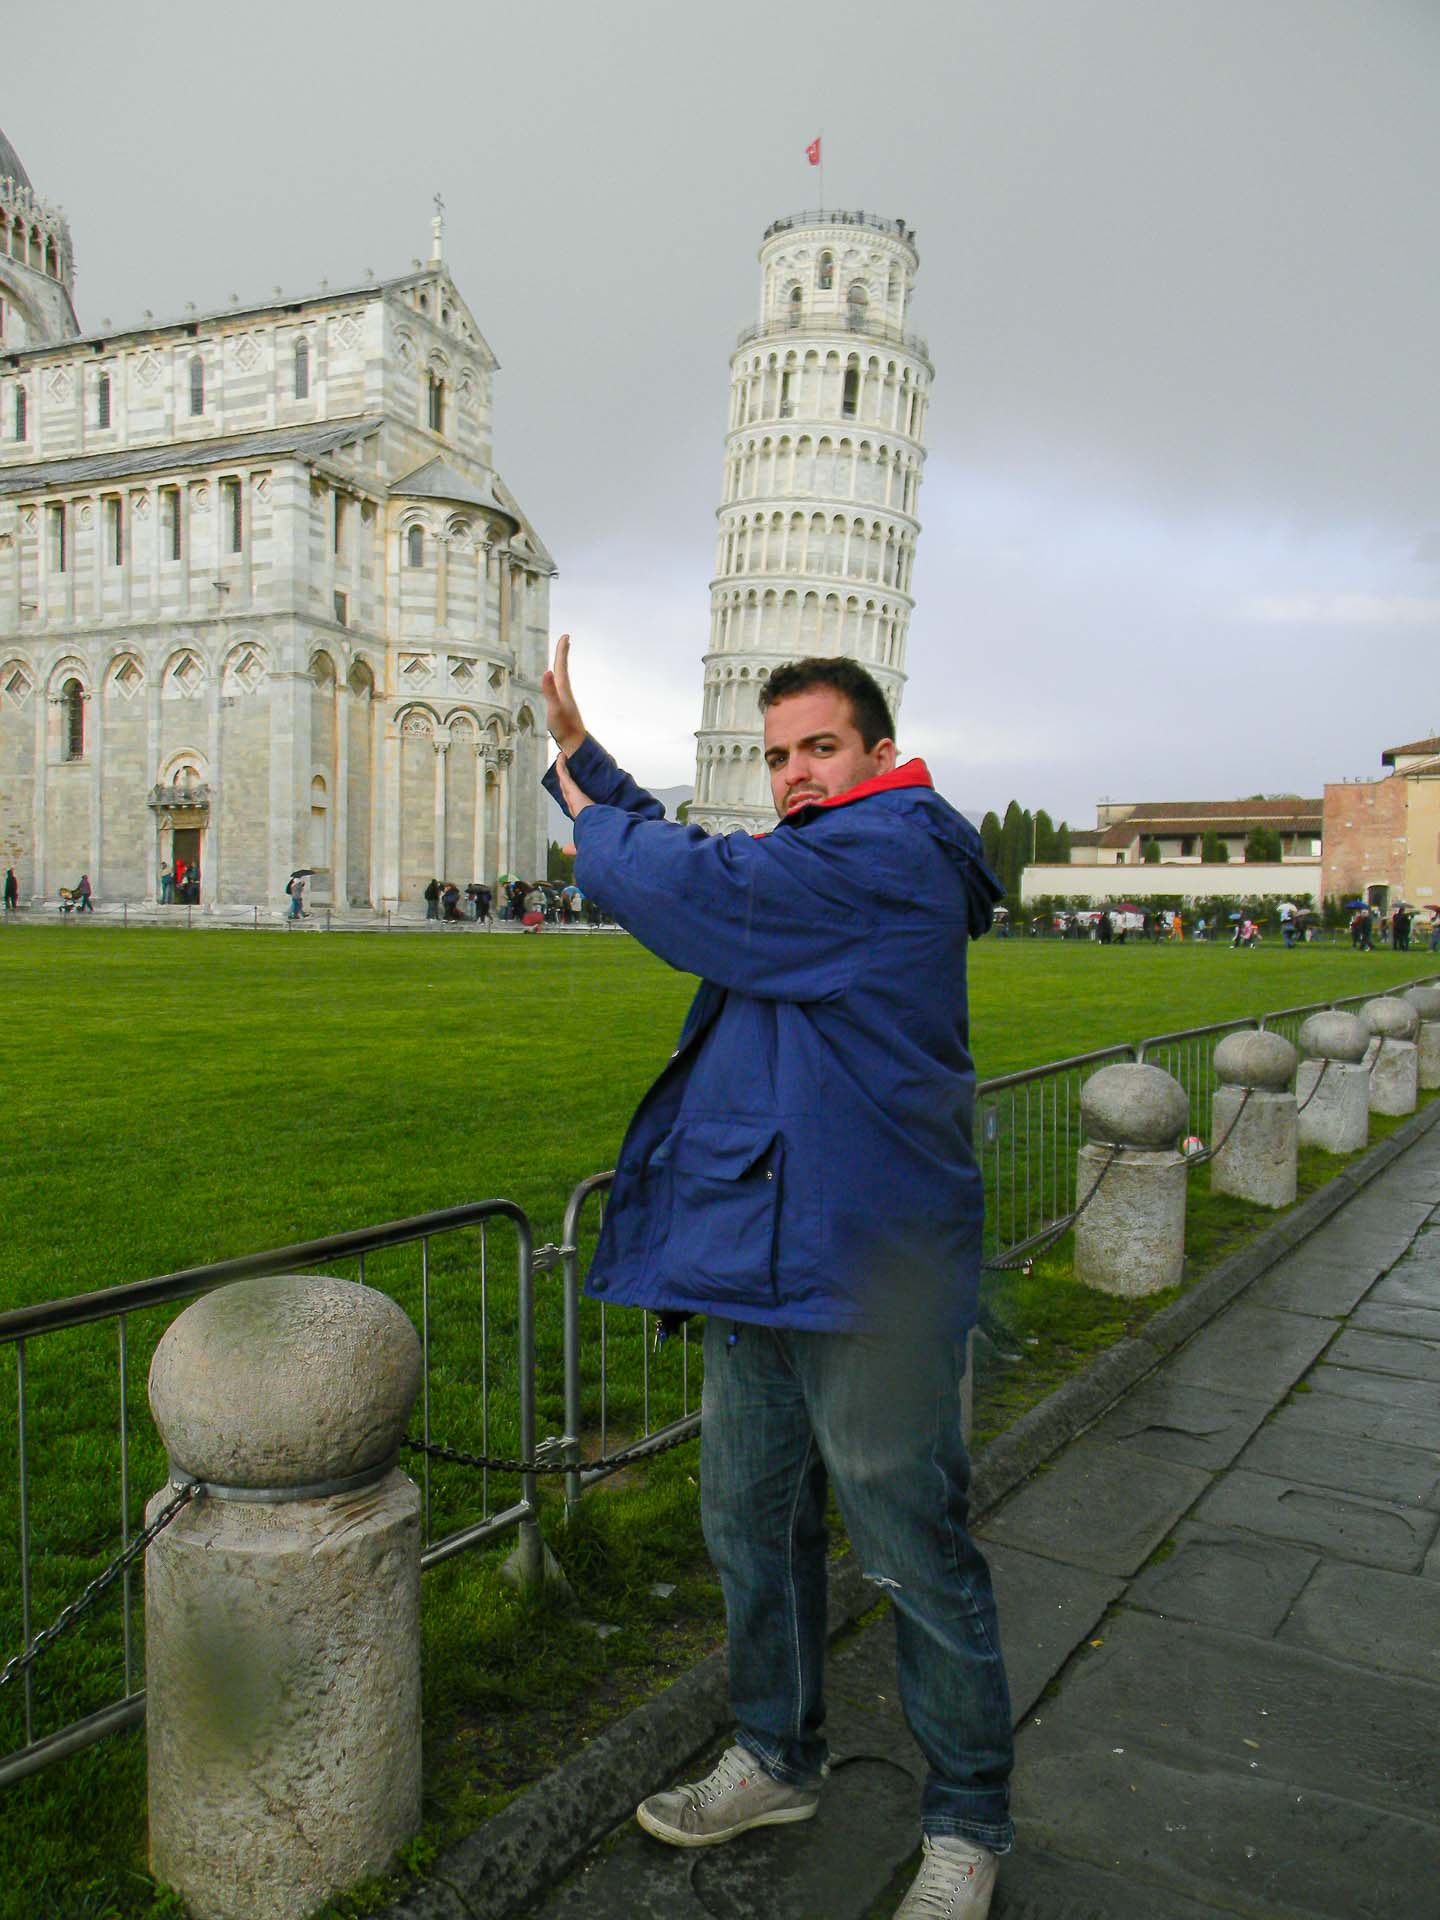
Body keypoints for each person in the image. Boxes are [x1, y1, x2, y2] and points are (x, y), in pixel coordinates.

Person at [542, 636, 1012, 1918]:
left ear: (877, 752)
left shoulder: (894, 852)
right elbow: (719, 873)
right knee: (752, 1532)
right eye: (776, 756)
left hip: (868, 1267)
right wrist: (583, 762)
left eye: (819, 749)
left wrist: (591, 815)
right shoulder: (817, 861)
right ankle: (777, 1755)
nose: (795, 775)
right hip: (762, 1253)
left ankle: (968, 1825)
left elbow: (700, 895)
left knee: (914, 1554)